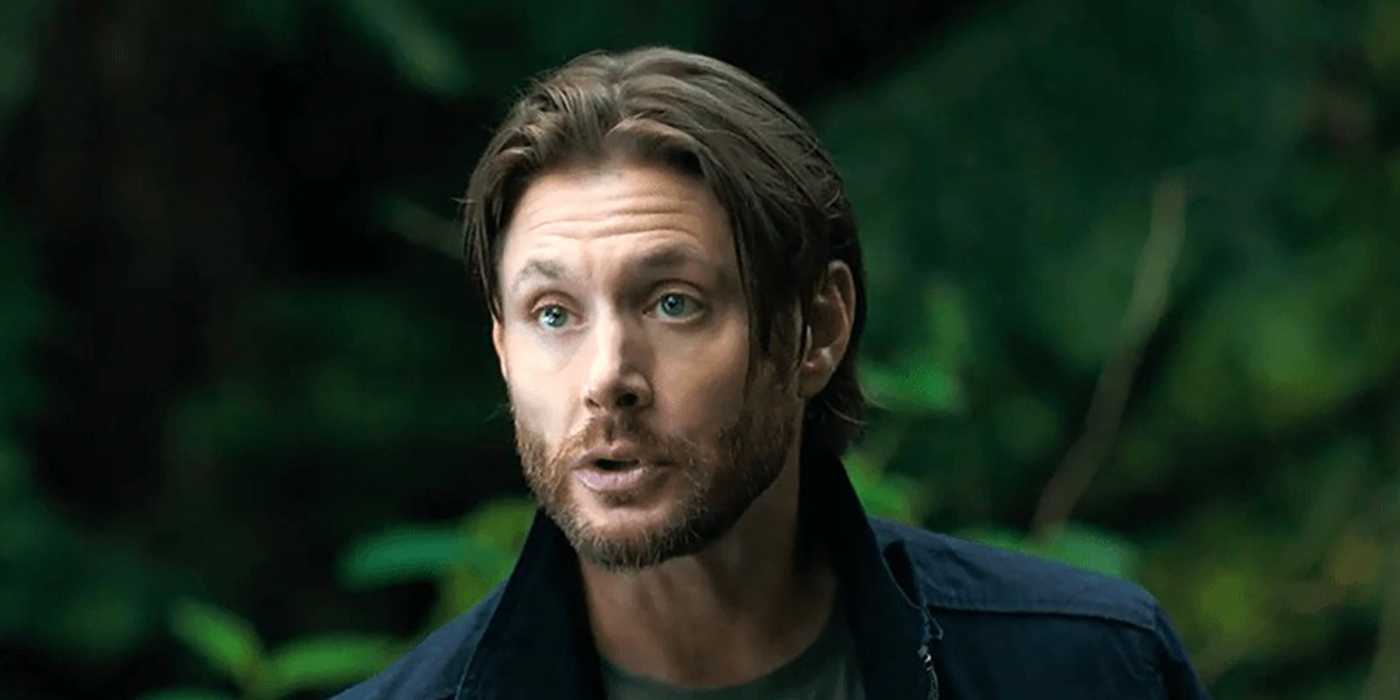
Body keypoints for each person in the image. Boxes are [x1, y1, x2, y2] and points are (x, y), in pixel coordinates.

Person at [335, 47, 1209, 699]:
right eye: (553, 314)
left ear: (815, 330)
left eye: (673, 302)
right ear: (502, 347)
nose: (607, 377)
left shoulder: (1087, 668)